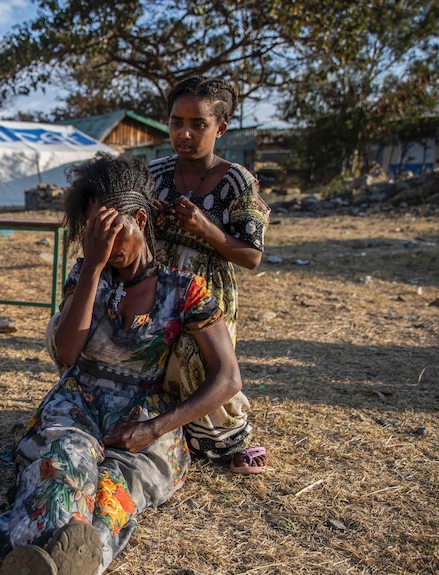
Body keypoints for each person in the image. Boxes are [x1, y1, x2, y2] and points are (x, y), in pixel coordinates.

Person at [0, 153, 244, 575]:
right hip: (77, 408)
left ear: (139, 220)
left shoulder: (185, 291)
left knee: (113, 488)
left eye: (109, 232)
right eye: (90, 233)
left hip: (143, 417)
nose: (100, 243)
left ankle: (66, 561)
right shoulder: (88, 274)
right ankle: (54, 554)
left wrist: (155, 428)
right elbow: (68, 353)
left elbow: (228, 377)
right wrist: (91, 267)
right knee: (64, 466)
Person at [150, 75, 270, 474]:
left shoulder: (237, 182)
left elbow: (251, 256)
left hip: (205, 292)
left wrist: (205, 228)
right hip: (154, 282)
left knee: (192, 355)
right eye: (176, 122)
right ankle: (154, 423)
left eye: (198, 124)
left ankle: (224, 437)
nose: (184, 132)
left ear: (220, 128)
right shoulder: (154, 173)